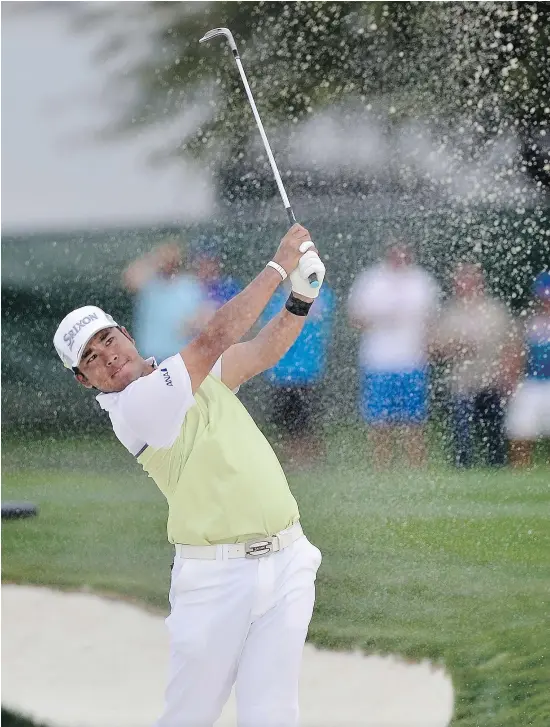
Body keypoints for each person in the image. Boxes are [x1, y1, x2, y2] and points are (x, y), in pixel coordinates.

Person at [53, 224, 326, 727]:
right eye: (90, 357)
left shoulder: (182, 375)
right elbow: (216, 337)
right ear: (83, 379)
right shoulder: (133, 407)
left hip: (287, 561)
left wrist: (301, 298)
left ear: (127, 336)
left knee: (273, 715)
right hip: (215, 579)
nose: (107, 356)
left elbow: (261, 351)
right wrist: (278, 265)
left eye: (108, 340)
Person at [347, 242, 440, 468]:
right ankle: (382, 466)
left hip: (412, 360)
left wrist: (429, 348)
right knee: (379, 420)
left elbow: (433, 320)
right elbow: (355, 318)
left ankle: (416, 466)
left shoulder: (422, 281)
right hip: (378, 361)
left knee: (414, 419)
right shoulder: (371, 281)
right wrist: (381, 318)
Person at [431, 263, 517, 468]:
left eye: (471, 279)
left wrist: (509, 376)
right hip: (462, 382)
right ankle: (463, 467)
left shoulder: (495, 310)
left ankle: (496, 467)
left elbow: (511, 344)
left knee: (494, 430)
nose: (466, 284)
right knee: (461, 432)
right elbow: (433, 347)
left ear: (480, 282)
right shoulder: (449, 313)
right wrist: (457, 346)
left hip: (491, 380)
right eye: (462, 280)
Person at [261, 279, 335, 465]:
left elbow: (322, 320)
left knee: (307, 422)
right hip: (282, 371)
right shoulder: (277, 299)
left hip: (308, 370)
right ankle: (293, 460)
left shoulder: (319, 297)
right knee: (287, 422)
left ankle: (310, 460)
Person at [122, 239, 209, 363]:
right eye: (164, 259)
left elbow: (202, 317)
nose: (168, 263)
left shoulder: (190, 285)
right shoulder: (149, 283)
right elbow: (129, 278)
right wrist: (153, 259)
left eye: (171, 259)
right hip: (151, 357)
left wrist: (193, 324)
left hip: (180, 356)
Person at [506, 271, 550, 467]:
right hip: (531, 383)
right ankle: (520, 469)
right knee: (521, 431)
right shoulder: (529, 323)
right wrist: (512, 381)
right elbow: (517, 353)